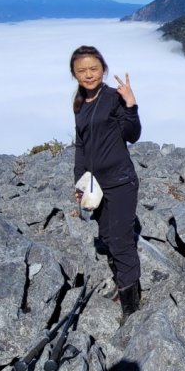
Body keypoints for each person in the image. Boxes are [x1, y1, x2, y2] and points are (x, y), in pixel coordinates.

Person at [70, 45, 142, 320]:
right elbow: (81, 146)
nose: (89, 75)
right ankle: (122, 286)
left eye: (94, 69)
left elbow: (132, 135)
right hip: (96, 185)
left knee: (122, 242)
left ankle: (132, 308)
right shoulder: (79, 104)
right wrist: (80, 182)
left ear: (103, 70)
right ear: (74, 74)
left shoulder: (113, 97)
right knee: (109, 238)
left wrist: (131, 104)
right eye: (82, 70)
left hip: (121, 181)